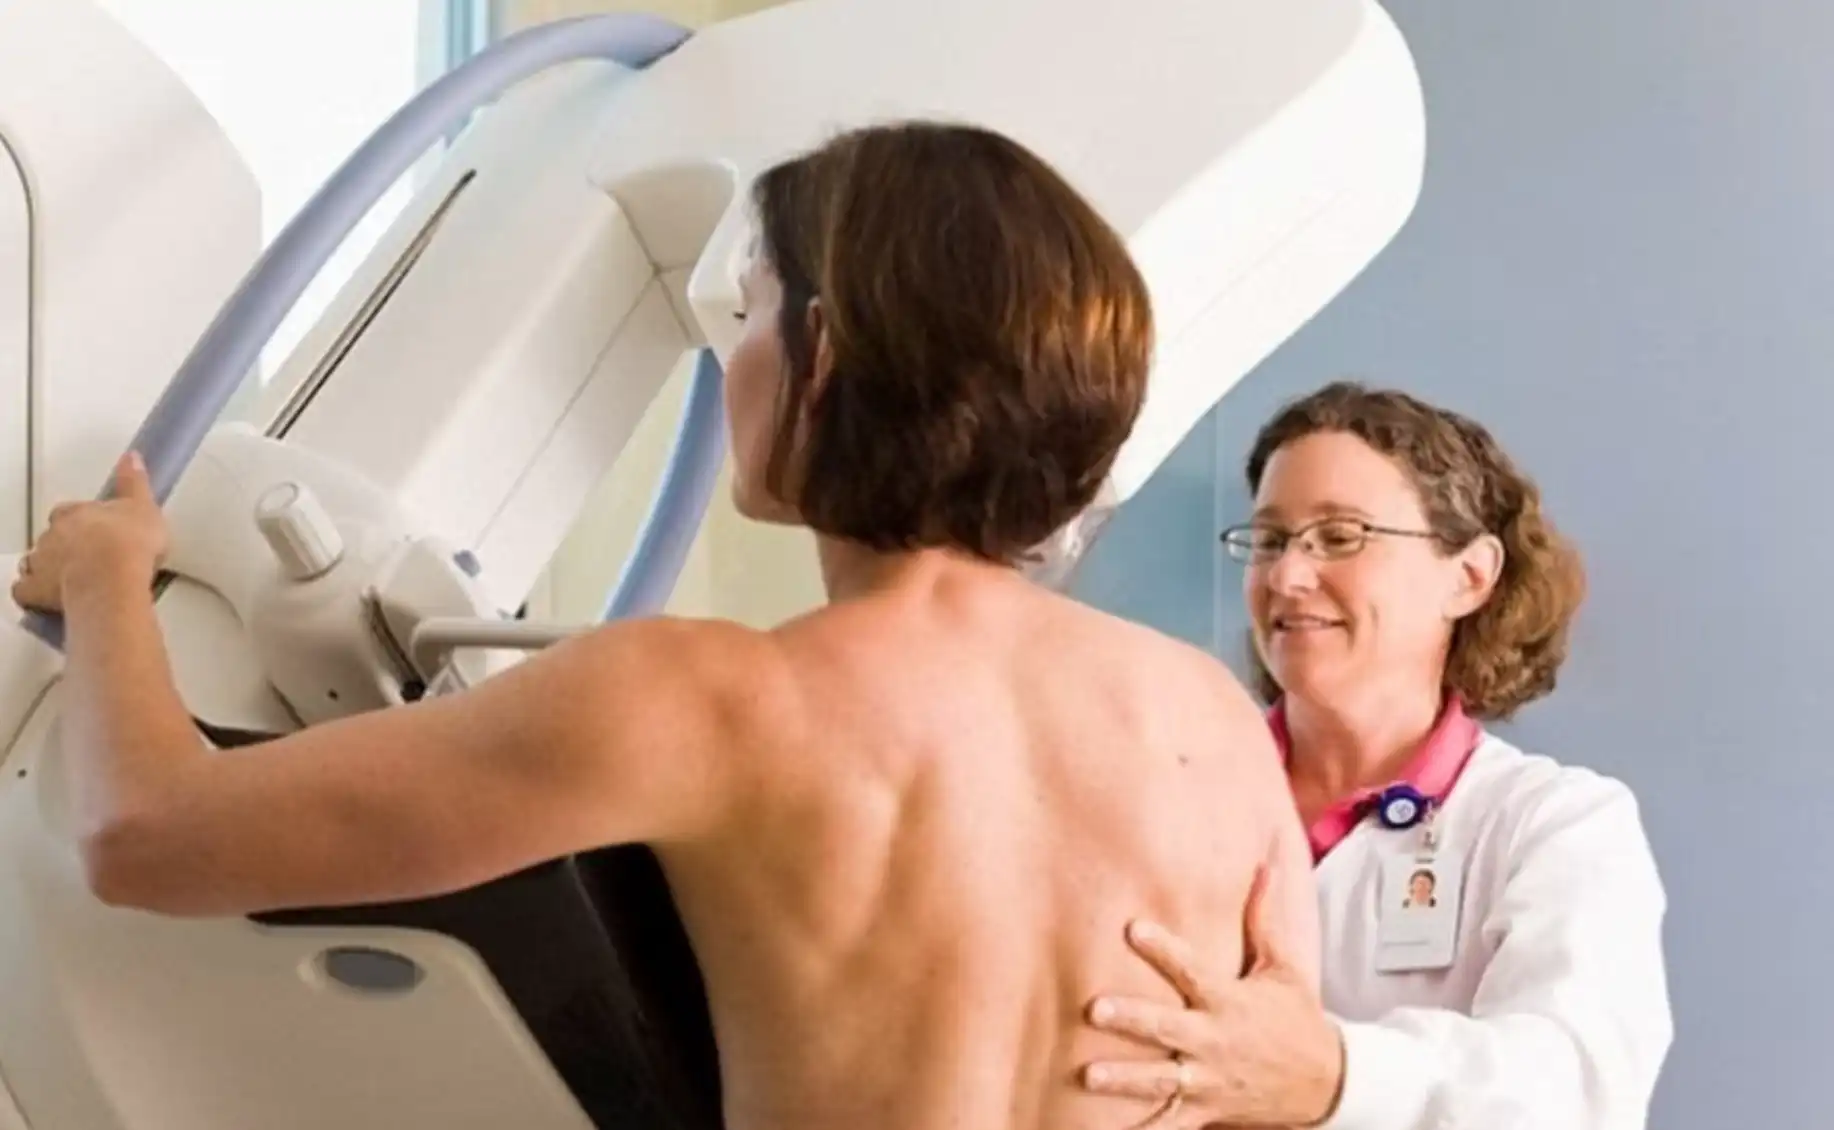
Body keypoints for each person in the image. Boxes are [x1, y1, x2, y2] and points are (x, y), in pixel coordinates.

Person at [9, 121, 1324, 1130]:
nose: (732, 358)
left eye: (750, 312)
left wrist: (111, 579)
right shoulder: (1213, 721)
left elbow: (144, 835)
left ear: (825, 350)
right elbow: (1270, 1075)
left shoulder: (705, 697)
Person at [1074, 382, 1673, 1129]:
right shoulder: (1151, 793)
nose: (1287, 576)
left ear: (1470, 576)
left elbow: (1577, 1091)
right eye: (1271, 539)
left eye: (1340, 536)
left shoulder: (1554, 824)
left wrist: (1330, 1078)